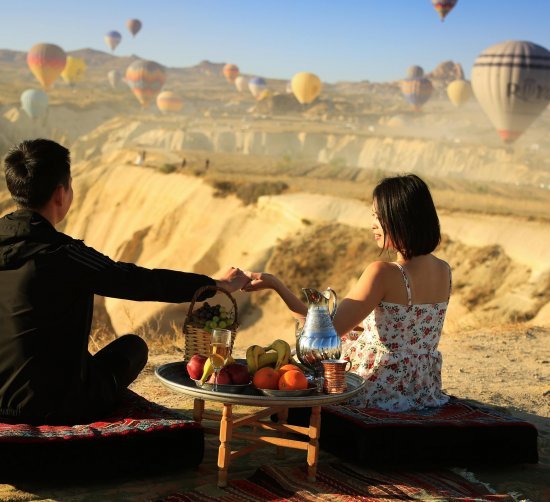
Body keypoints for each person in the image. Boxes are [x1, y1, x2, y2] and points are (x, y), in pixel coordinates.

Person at [0, 139, 249, 425]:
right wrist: (214, 285)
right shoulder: (64, 254)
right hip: (56, 406)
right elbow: (140, 282)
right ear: (60, 194)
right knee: (133, 348)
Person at [243, 174, 451, 412]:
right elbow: (406, 329)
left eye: (379, 217)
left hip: (378, 387)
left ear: (402, 219)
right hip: (422, 389)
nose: (373, 224)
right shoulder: (444, 269)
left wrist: (276, 285)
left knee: (297, 376)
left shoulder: (382, 273)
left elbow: (322, 338)